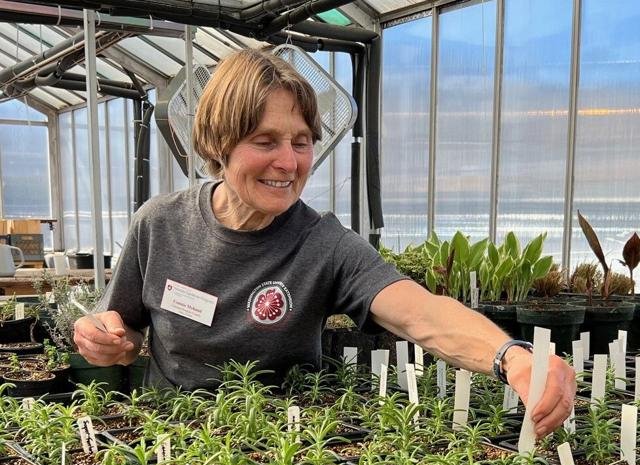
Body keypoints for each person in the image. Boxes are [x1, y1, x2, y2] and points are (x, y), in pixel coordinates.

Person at [74, 48, 575, 438]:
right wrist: (104, 340)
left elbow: (420, 312)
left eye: (301, 142)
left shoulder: (324, 244)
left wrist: (513, 356)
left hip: (289, 455)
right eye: (265, 141)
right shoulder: (159, 224)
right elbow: (126, 337)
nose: (289, 163)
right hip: (168, 445)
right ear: (217, 145)